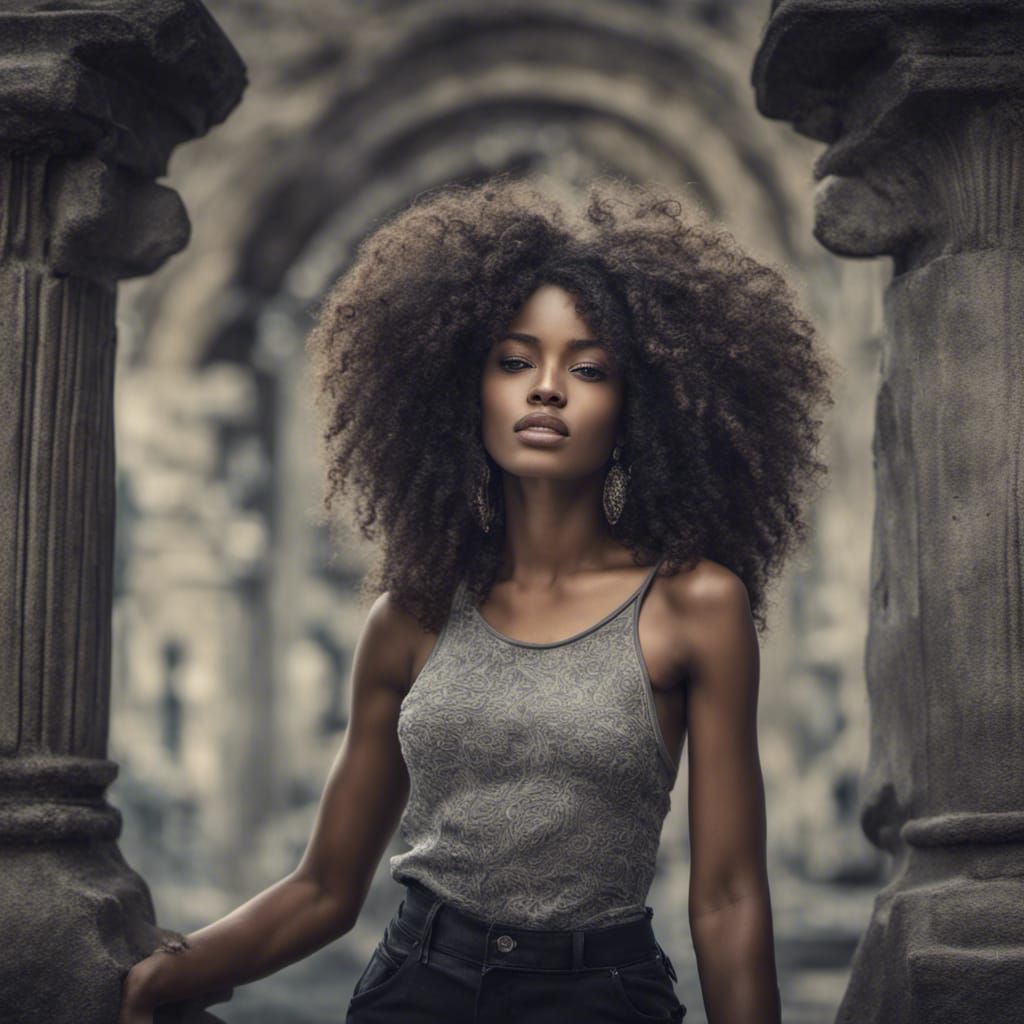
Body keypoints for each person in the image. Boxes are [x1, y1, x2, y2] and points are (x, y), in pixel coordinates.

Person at [119, 174, 834, 1023]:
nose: (546, 388)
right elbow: (323, 889)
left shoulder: (693, 606)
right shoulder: (411, 616)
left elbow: (726, 899)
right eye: (515, 361)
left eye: (590, 367)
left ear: (641, 407)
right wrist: (175, 970)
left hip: (603, 997)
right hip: (415, 988)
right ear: (467, 388)